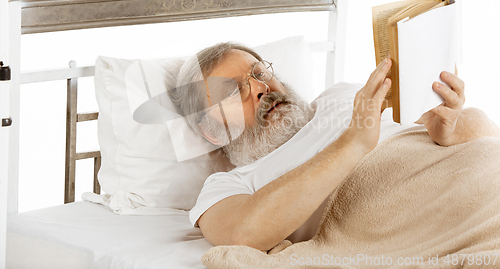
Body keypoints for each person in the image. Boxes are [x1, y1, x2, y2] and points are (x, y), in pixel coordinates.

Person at [172, 42, 500, 252]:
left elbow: (485, 136)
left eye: (260, 73)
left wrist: (452, 130)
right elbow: (246, 233)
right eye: (232, 92)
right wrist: (353, 143)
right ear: (211, 131)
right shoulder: (226, 187)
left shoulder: (342, 95)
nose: (261, 88)